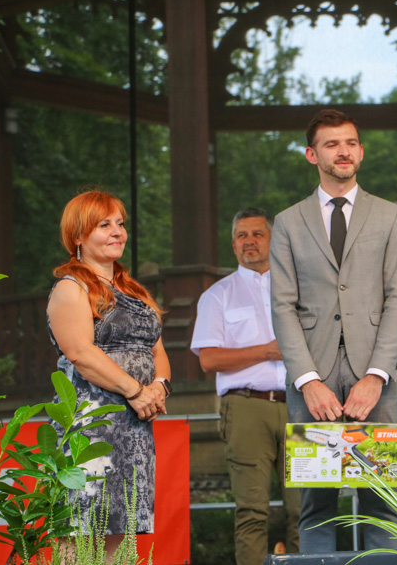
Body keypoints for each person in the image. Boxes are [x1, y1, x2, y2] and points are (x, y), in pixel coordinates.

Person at [269, 109, 397, 552]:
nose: (343, 151)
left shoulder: (390, 216)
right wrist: (308, 380)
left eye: (350, 142)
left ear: (361, 151)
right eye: (332, 144)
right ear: (313, 154)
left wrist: (376, 375)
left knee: (383, 499)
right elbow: (282, 305)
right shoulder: (288, 222)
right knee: (316, 502)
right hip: (313, 377)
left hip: (378, 378)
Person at [46, 191, 169, 557]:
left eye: (120, 224)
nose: (118, 232)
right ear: (78, 236)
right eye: (105, 225)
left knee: (120, 531)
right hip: (90, 426)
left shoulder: (134, 291)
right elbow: (81, 353)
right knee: (80, 534)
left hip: (134, 428)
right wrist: (136, 390)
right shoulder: (71, 288)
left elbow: (157, 349)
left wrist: (160, 385)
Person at [190, 207, 301, 564]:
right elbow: (208, 360)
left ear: (273, 239)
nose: (249, 242)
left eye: (257, 234)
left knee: (305, 510)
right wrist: (266, 351)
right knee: (252, 510)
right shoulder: (218, 295)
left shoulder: (300, 288)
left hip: (302, 403)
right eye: (241, 236)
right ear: (233, 245)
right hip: (246, 406)